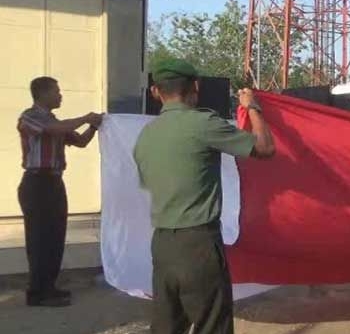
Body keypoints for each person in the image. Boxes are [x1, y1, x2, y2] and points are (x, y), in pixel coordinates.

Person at [133, 59, 275, 334]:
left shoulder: (146, 136)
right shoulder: (203, 123)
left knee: (167, 326)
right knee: (213, 325)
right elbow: (265, 148)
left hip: (162, 244)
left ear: (154, 92)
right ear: (195, 87)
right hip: (197, 244)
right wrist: (252, 107)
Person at [17, 77, 103, 307]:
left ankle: (49, 287)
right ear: (42, 93)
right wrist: (86, 117)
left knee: (55, 237)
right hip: (36, 184)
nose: (60, 95)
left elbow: (81, 141)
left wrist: (94, 126)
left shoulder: (56, 121)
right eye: (56, 91)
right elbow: (55, 129)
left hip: (54, 183)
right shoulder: (30, 117)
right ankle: (37, 292)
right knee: (39, 239)